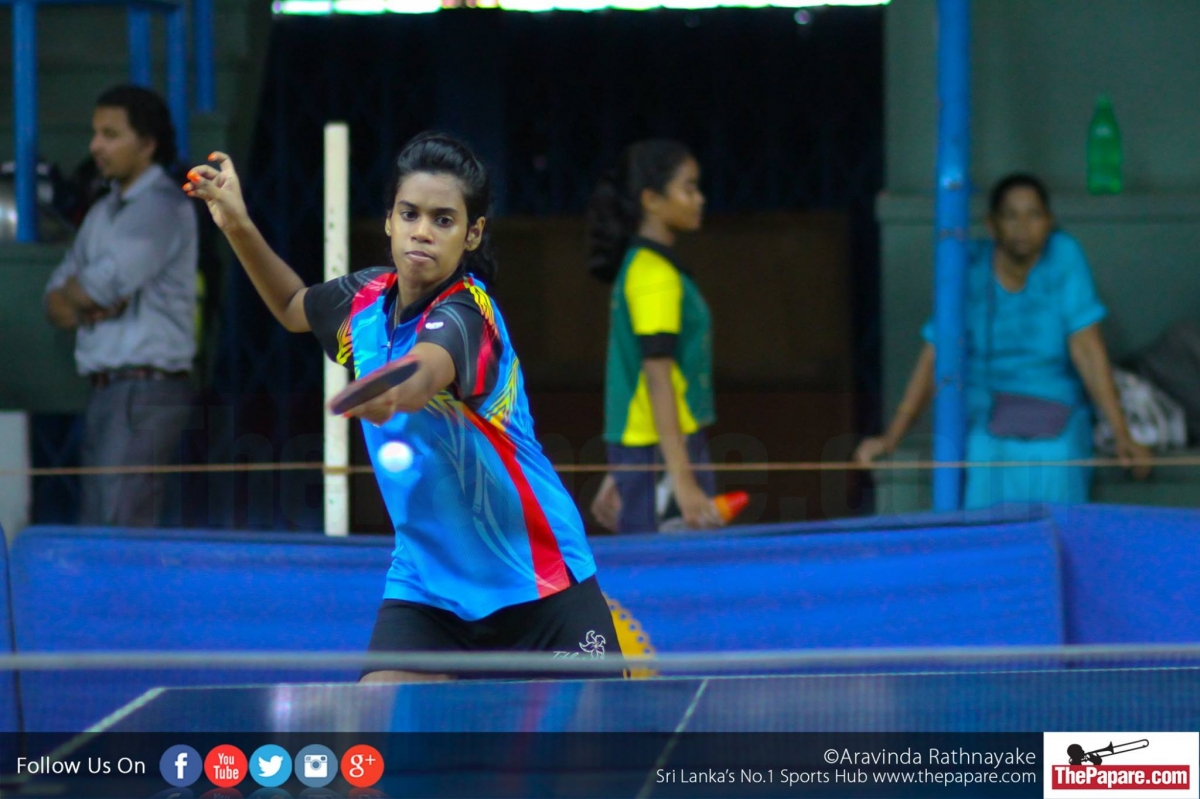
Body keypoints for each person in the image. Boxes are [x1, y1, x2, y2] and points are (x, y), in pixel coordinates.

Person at [184, 132, 622, 680]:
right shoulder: (364, 300)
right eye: (409, 213)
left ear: (472, 234)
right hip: (427, 591)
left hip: (543, 588)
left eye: (444, 220)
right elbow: (296, 307)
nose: (422, 231)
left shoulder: (469, 315)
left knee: (596, 757)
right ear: (389, 220)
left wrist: (390, 390)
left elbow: (426, 370)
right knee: (376, 730)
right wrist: (237, 226)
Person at [855, 173, 1150, 507]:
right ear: (992, 224)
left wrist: (1123, 436)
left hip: (1055, 402)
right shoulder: (970, 266)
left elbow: (1088, 351)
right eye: (1011, 215)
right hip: (989, 405)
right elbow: (936, 354)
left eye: (1034, 215)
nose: (1023, 226)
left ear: (1049, 221)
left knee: (1058, 456)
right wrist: (892, 438)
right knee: (984, 451)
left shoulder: (1064, 255)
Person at [43, 85, 197, 527]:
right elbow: (57, 299)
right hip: (108, 389)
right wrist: (85, 297)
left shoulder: (160, 208)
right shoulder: (102, 211)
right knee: (102, 521)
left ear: (147, 144)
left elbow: (93, 292)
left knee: (119, 525)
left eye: (110, 134)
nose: (95, 146)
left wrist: (85, 296)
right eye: (96, 134)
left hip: (144, 389)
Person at [585, 140, 723, 534]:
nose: (700, 198)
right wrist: (682, 480)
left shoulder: (646, 267)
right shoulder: (654, 277)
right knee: (676, 580)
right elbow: (656, 376)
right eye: (689, 187)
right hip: (661, 452)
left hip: (650, 450)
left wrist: (623, 467)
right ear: (652, 200)